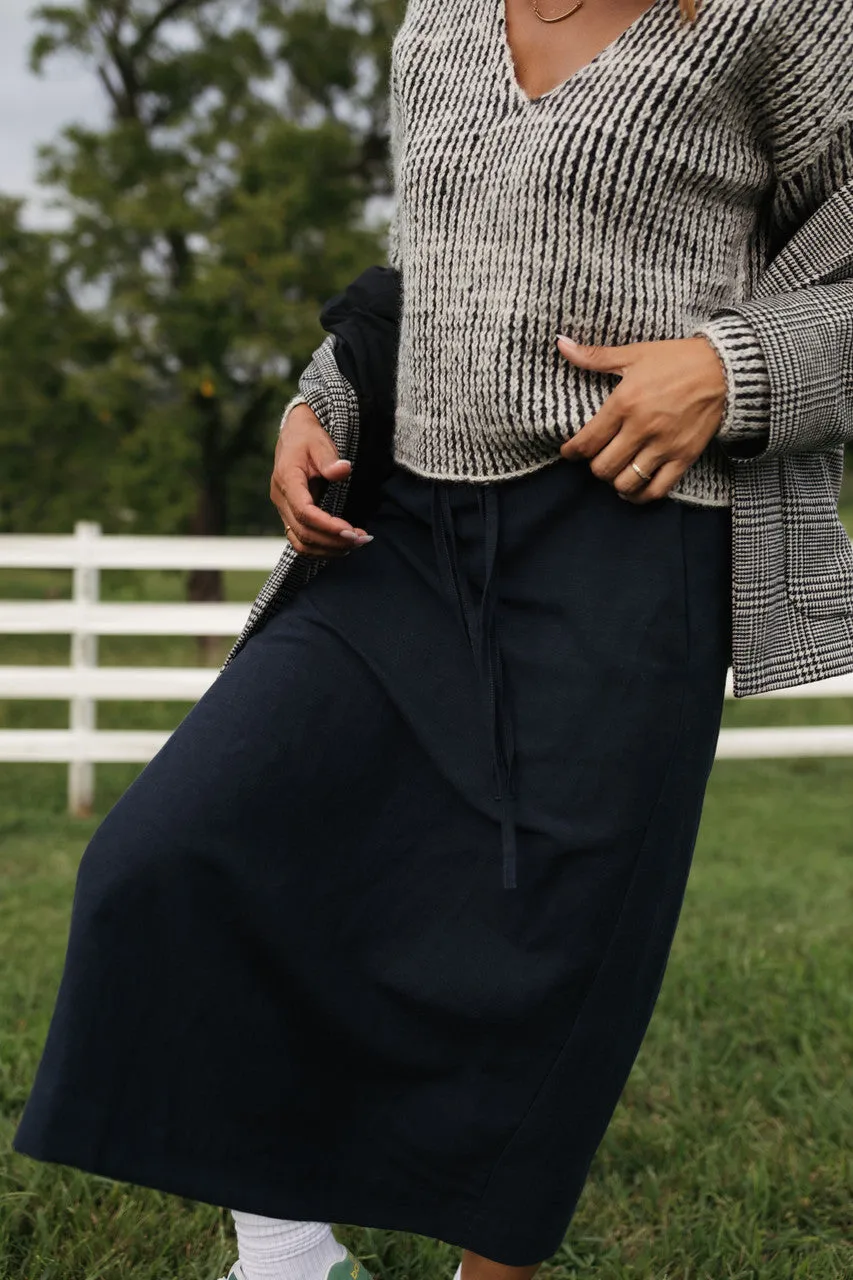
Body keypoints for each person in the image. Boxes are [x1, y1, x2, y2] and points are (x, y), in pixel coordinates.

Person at [13, 1, 853, 1279]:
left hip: (630, 540)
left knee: (552, 953)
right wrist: (322, 391)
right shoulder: (443, 20)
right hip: (403, 530)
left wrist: (734, 366)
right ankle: (289, 1252)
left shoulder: (778, 20)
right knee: (163, 853)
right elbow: (434, 268)